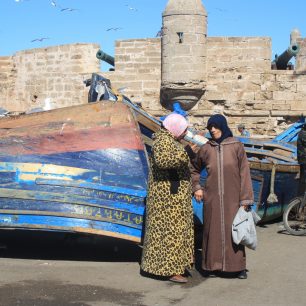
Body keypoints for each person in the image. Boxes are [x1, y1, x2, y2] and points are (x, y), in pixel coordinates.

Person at [191, 114, 254, 279]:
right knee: (212, 231)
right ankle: (212, 266)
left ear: (223, 126)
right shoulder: (206, 148)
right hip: (211, 198)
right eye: (210, 127)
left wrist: (245, 199)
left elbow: (244, 173)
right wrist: (197, 187)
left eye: (215, 126)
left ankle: (238, 267)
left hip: (233, 199)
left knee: (235, 231)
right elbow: (194, 168)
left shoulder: (236, 146)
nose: (212, 130)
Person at [141, 113, 194, 283]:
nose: (186, 132)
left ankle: (174, 266)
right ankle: (169, 270)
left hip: (173, 199)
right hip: (167, 201)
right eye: (184, 129)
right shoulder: (163, 141)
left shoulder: (171, 140)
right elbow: (164, 161)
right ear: (175, 128)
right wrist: (188, 151)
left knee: (174, 233)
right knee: (169, 234)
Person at [297, 123, 306, 195]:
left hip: (302, 159)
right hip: (304, 159)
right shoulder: (303, 134)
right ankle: (301, 196)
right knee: (303, 180)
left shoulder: (302, 132)